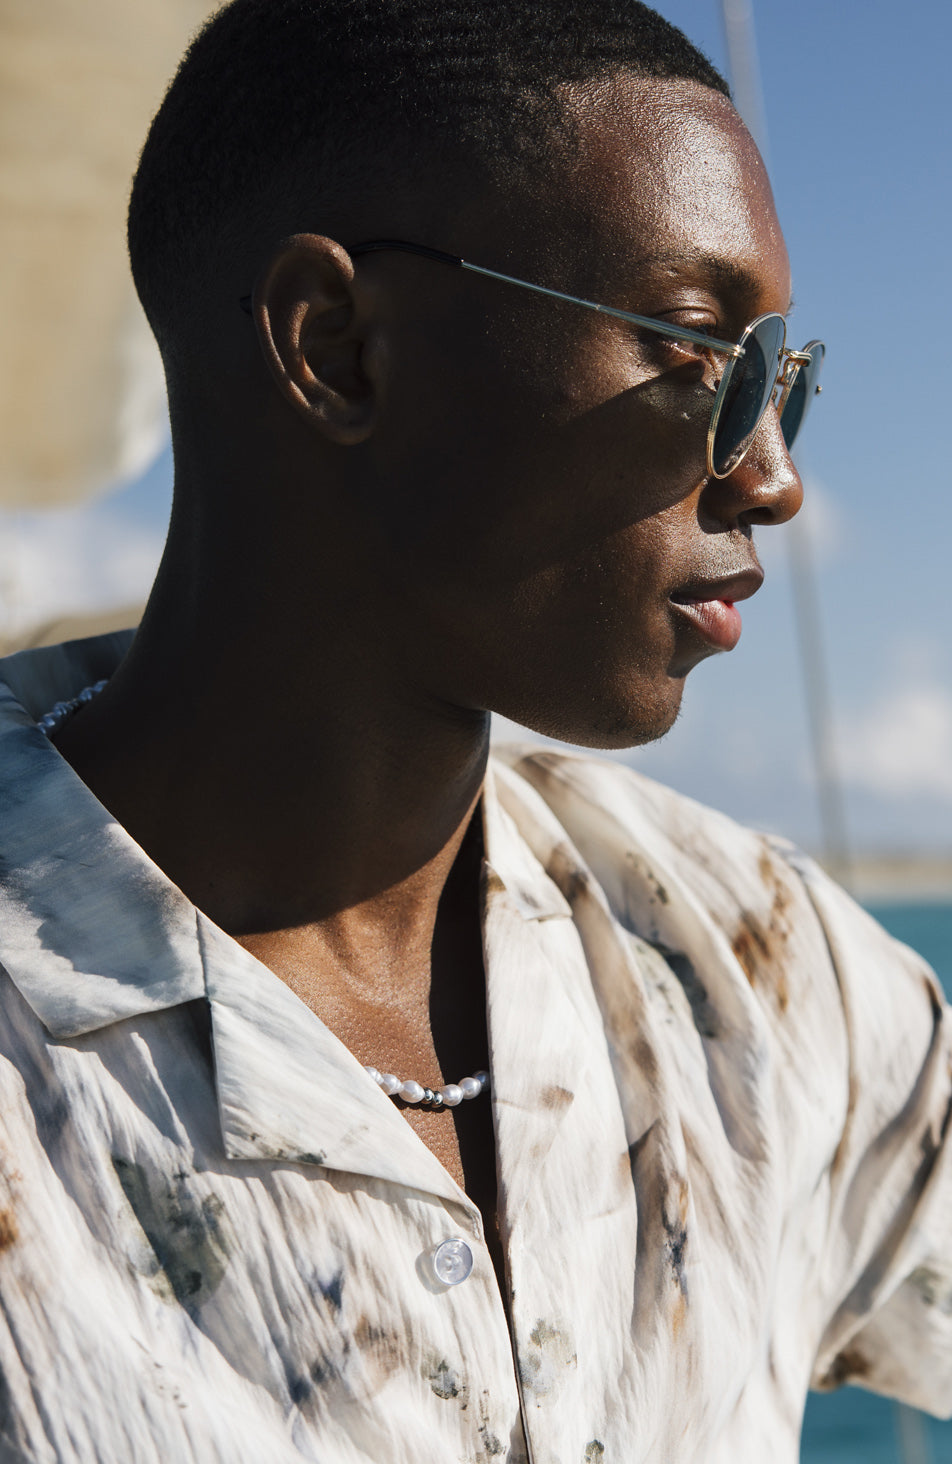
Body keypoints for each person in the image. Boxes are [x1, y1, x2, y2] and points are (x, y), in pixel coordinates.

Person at [0, 1, 949, 1459]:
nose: (772, 479)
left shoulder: (750, 965)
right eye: (697, 353)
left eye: (786, 379)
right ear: (337, 348)